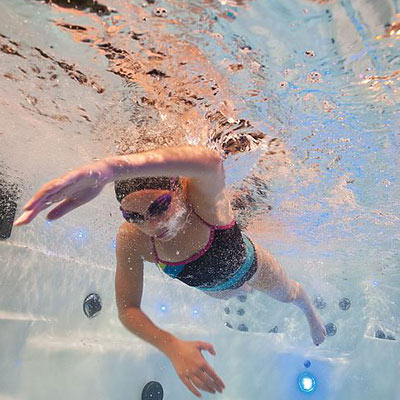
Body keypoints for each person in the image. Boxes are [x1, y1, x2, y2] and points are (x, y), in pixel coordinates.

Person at [14, 145, 326, 398]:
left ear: (178, 188)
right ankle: (239, 292)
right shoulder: (132, 238)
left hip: (251, 267)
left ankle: (310, 311)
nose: (152, 224)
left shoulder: (201, 201)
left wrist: (111, 169)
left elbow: (212, 161)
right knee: (230, 294)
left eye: (159, 206)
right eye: (133, 215)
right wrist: (171, 345)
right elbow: (128, 309)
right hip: (214, 288)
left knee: (289, 295)